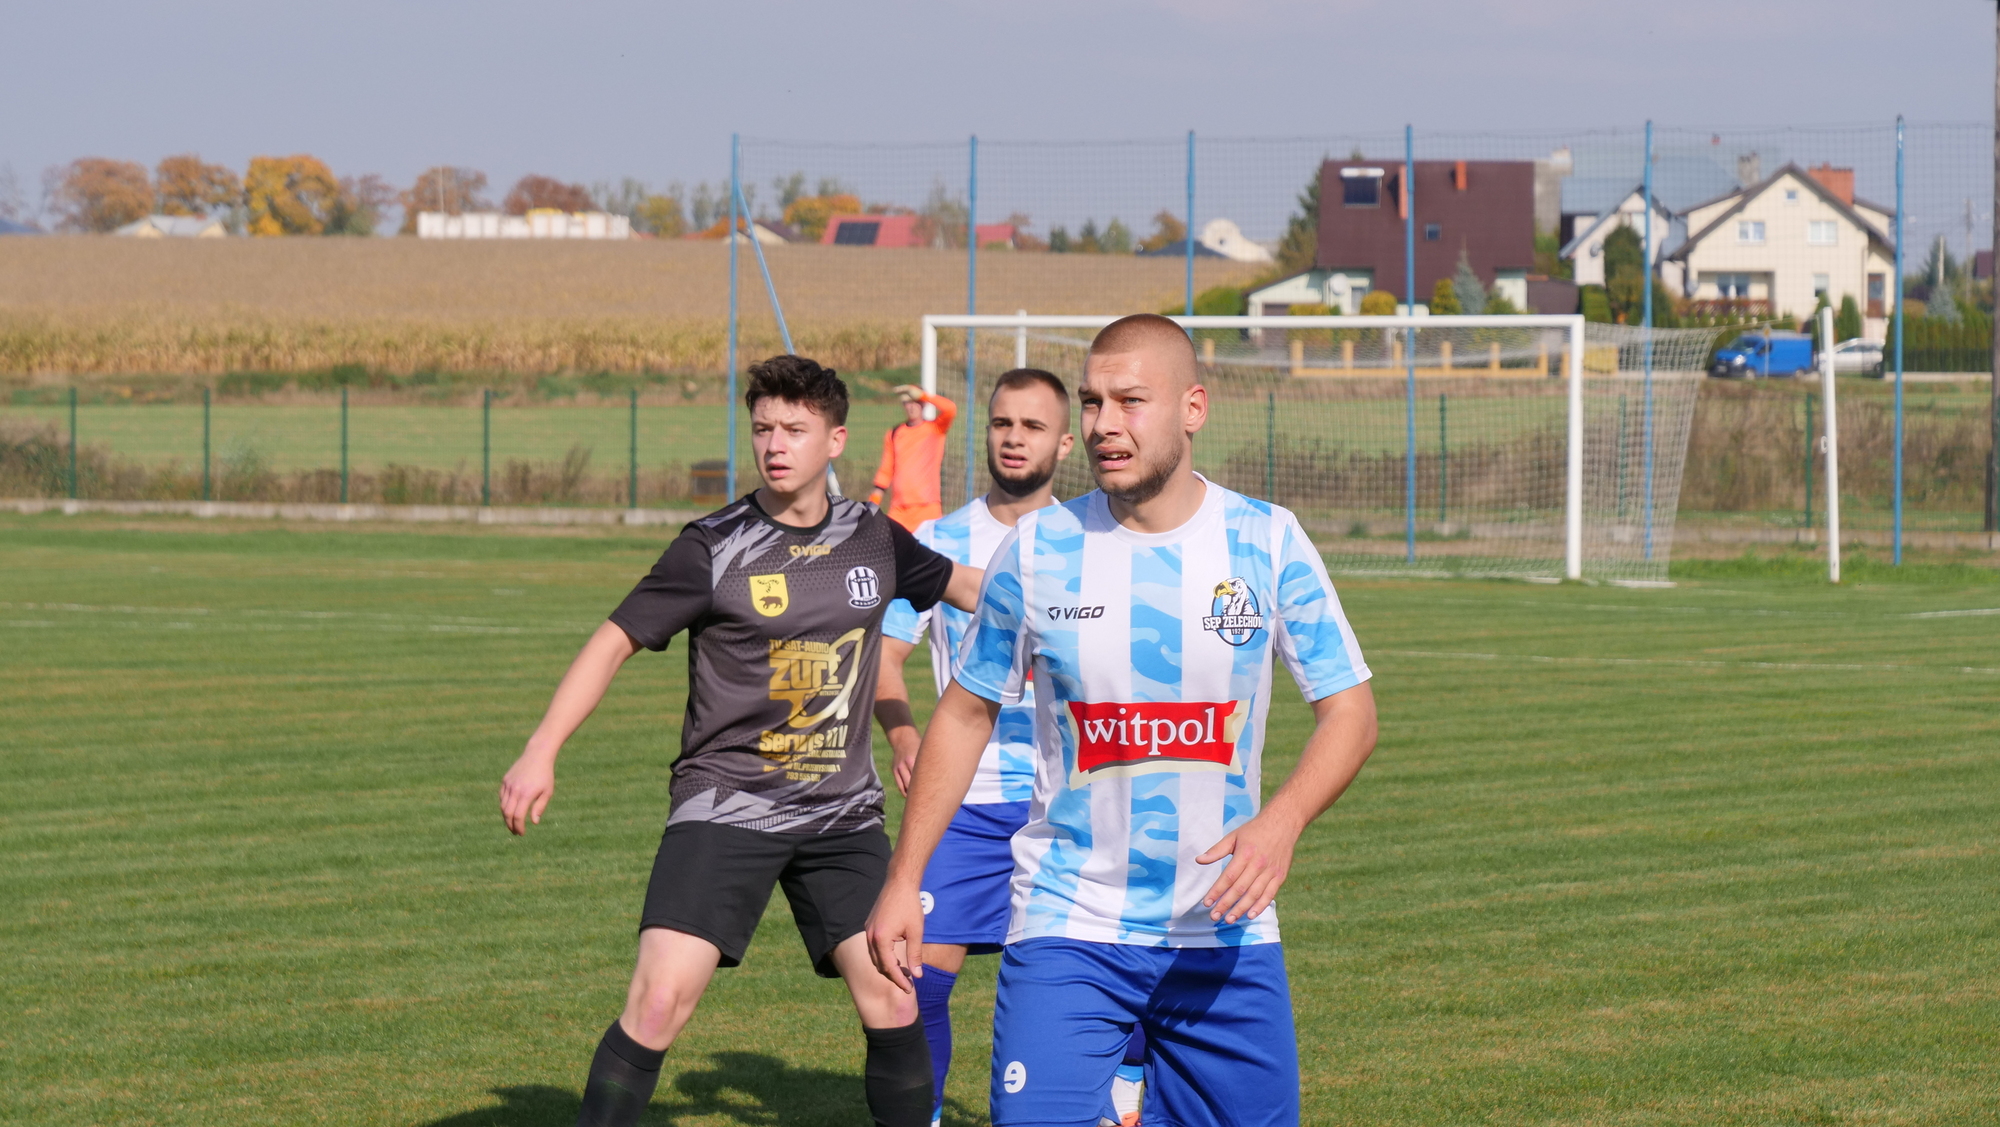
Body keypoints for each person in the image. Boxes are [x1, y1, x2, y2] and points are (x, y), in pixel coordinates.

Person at [866, 315, 1379, 1127]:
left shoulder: (1267, 540)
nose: (1106, 423)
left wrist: (1281, 821)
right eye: (1093, 401)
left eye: (1131, 401)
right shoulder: (1038, 549)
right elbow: (964, 714)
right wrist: (904, 877)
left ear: (1193, 408)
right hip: (1069, 922)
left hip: (1224, 931)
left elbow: (1350, 709)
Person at [499, 354, 985, 1127]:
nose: (774, 444)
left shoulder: (874, 538)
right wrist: (541, 747)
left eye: (794, 428)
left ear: (835, 440)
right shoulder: (712, 546)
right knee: (659, 998)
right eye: (762, 428)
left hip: (840, 818)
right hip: (726, 807)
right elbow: (614, 639)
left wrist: (1075, 600)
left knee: (895, 994)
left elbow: (969, 587)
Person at [871, 369, 1088, 1126]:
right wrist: (905, 732)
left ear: (1065, 443)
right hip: (965, 799)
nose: (1014, 438)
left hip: (1065, 803)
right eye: (1002, 423)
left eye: (1033, 426)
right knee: (916, 979)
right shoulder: (938, 541)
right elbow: (886, 660)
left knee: (1097, 975)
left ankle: (1117, 1103)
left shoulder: (1093, 542)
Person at [869, 384, 957, 532]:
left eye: (916, 402)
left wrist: (923, 395)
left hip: (927, 509)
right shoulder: (894, 433)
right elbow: (885, 471)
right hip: (899, 510)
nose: (911, 407)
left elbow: (950, 409)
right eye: (907, 403)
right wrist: (872, 505)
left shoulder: (935, 429)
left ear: (923, 404)